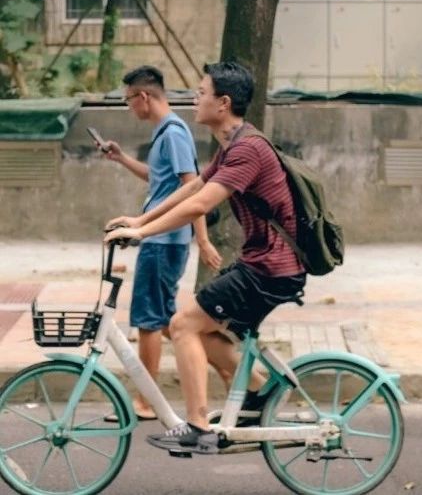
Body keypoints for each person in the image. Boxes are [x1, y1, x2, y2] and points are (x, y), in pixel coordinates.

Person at [104, 61, 307, 452]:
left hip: (271, 268)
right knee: (205, 330)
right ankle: (260, 392)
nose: (194, 99)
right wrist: (140, 218)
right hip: (263, 263)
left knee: (181, 325)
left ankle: (198, 425)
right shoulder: (234, 144)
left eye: (201, 92)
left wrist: (143, 232)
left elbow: (201, 202)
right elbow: (195, 184)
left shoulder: (247, 150)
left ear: (223, 102)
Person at [102, 65, 222, 421]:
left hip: (164, 240)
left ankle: (146, 401)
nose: (129, 108)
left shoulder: (173, 133)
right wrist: (122, 158)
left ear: (144, 97)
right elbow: (161, 179)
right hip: (161, 237)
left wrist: (202, 238)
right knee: (170, 320)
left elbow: (194, 186)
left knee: (148, 320)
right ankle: (231, 367)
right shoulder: (166, 133)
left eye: (128, 101)